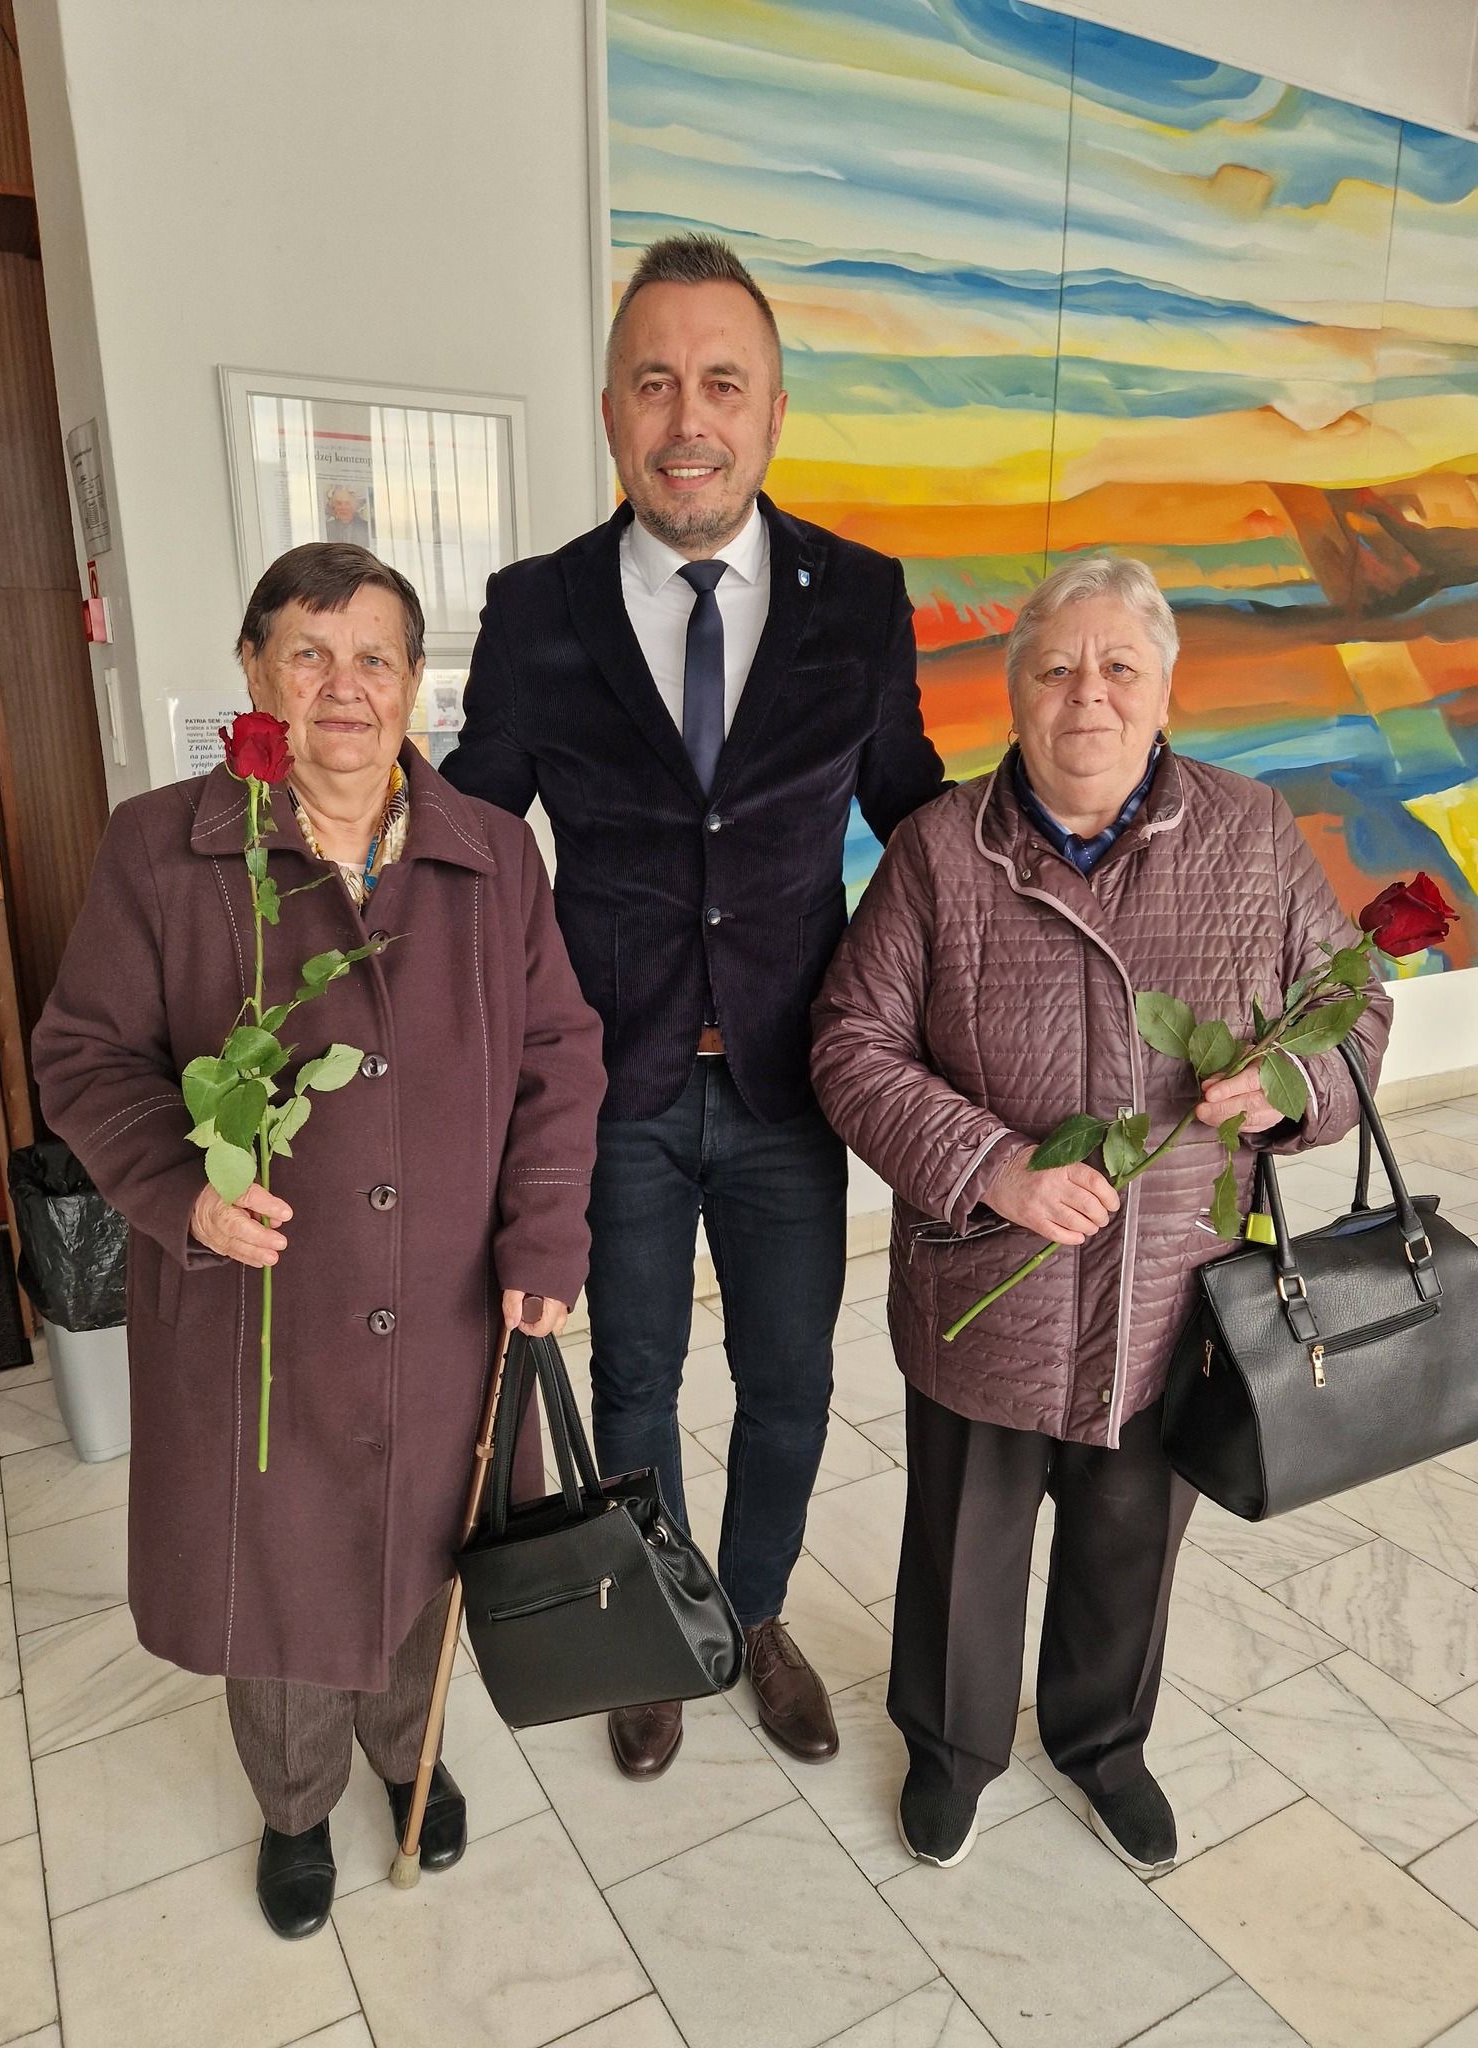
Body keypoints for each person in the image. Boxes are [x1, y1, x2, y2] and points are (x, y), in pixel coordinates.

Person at [33, 542, 605, 1937]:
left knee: (428, 1541)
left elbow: (560, 1054)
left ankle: (409, 1756)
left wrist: (544, 1242)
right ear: (254, 670)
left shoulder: (491, 854)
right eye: (308, 653)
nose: (344, 687)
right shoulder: (164, 849)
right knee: (280, 1558)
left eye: (375, 659)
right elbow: (86, 1055)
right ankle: (293, 1804)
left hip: (451, 1301)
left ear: (415, 685)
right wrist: (185, 1194)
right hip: (260, 1300)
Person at [442, 234, 947, 1778]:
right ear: (610, 410)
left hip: (799, 1075)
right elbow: (474, 825)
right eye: (654, 382)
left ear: (772, 411)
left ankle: (759, 1607)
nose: (688, 419)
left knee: (793, 1379)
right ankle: (657, 1624)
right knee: (636, 1376)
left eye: (723, 383)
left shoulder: (860, 599)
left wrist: (1081, 883)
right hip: (616, 1082)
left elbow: (917, 813)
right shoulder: (535, 606)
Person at [810, 555, 1392, 1874]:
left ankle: (1104, 1746)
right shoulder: (939, 851)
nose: (1090, 693)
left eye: (1120, 666)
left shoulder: (1251, 834)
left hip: (1176, 1291)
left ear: (1165, 689)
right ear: (1015, 694)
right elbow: (851, 1044)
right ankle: (950, 1750)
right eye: (1058, 668)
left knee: (1132, 1541)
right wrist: (992, 1165)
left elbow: (1352, 1009)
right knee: (964, 1546)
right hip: (987, 1284)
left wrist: (1292, 1087)